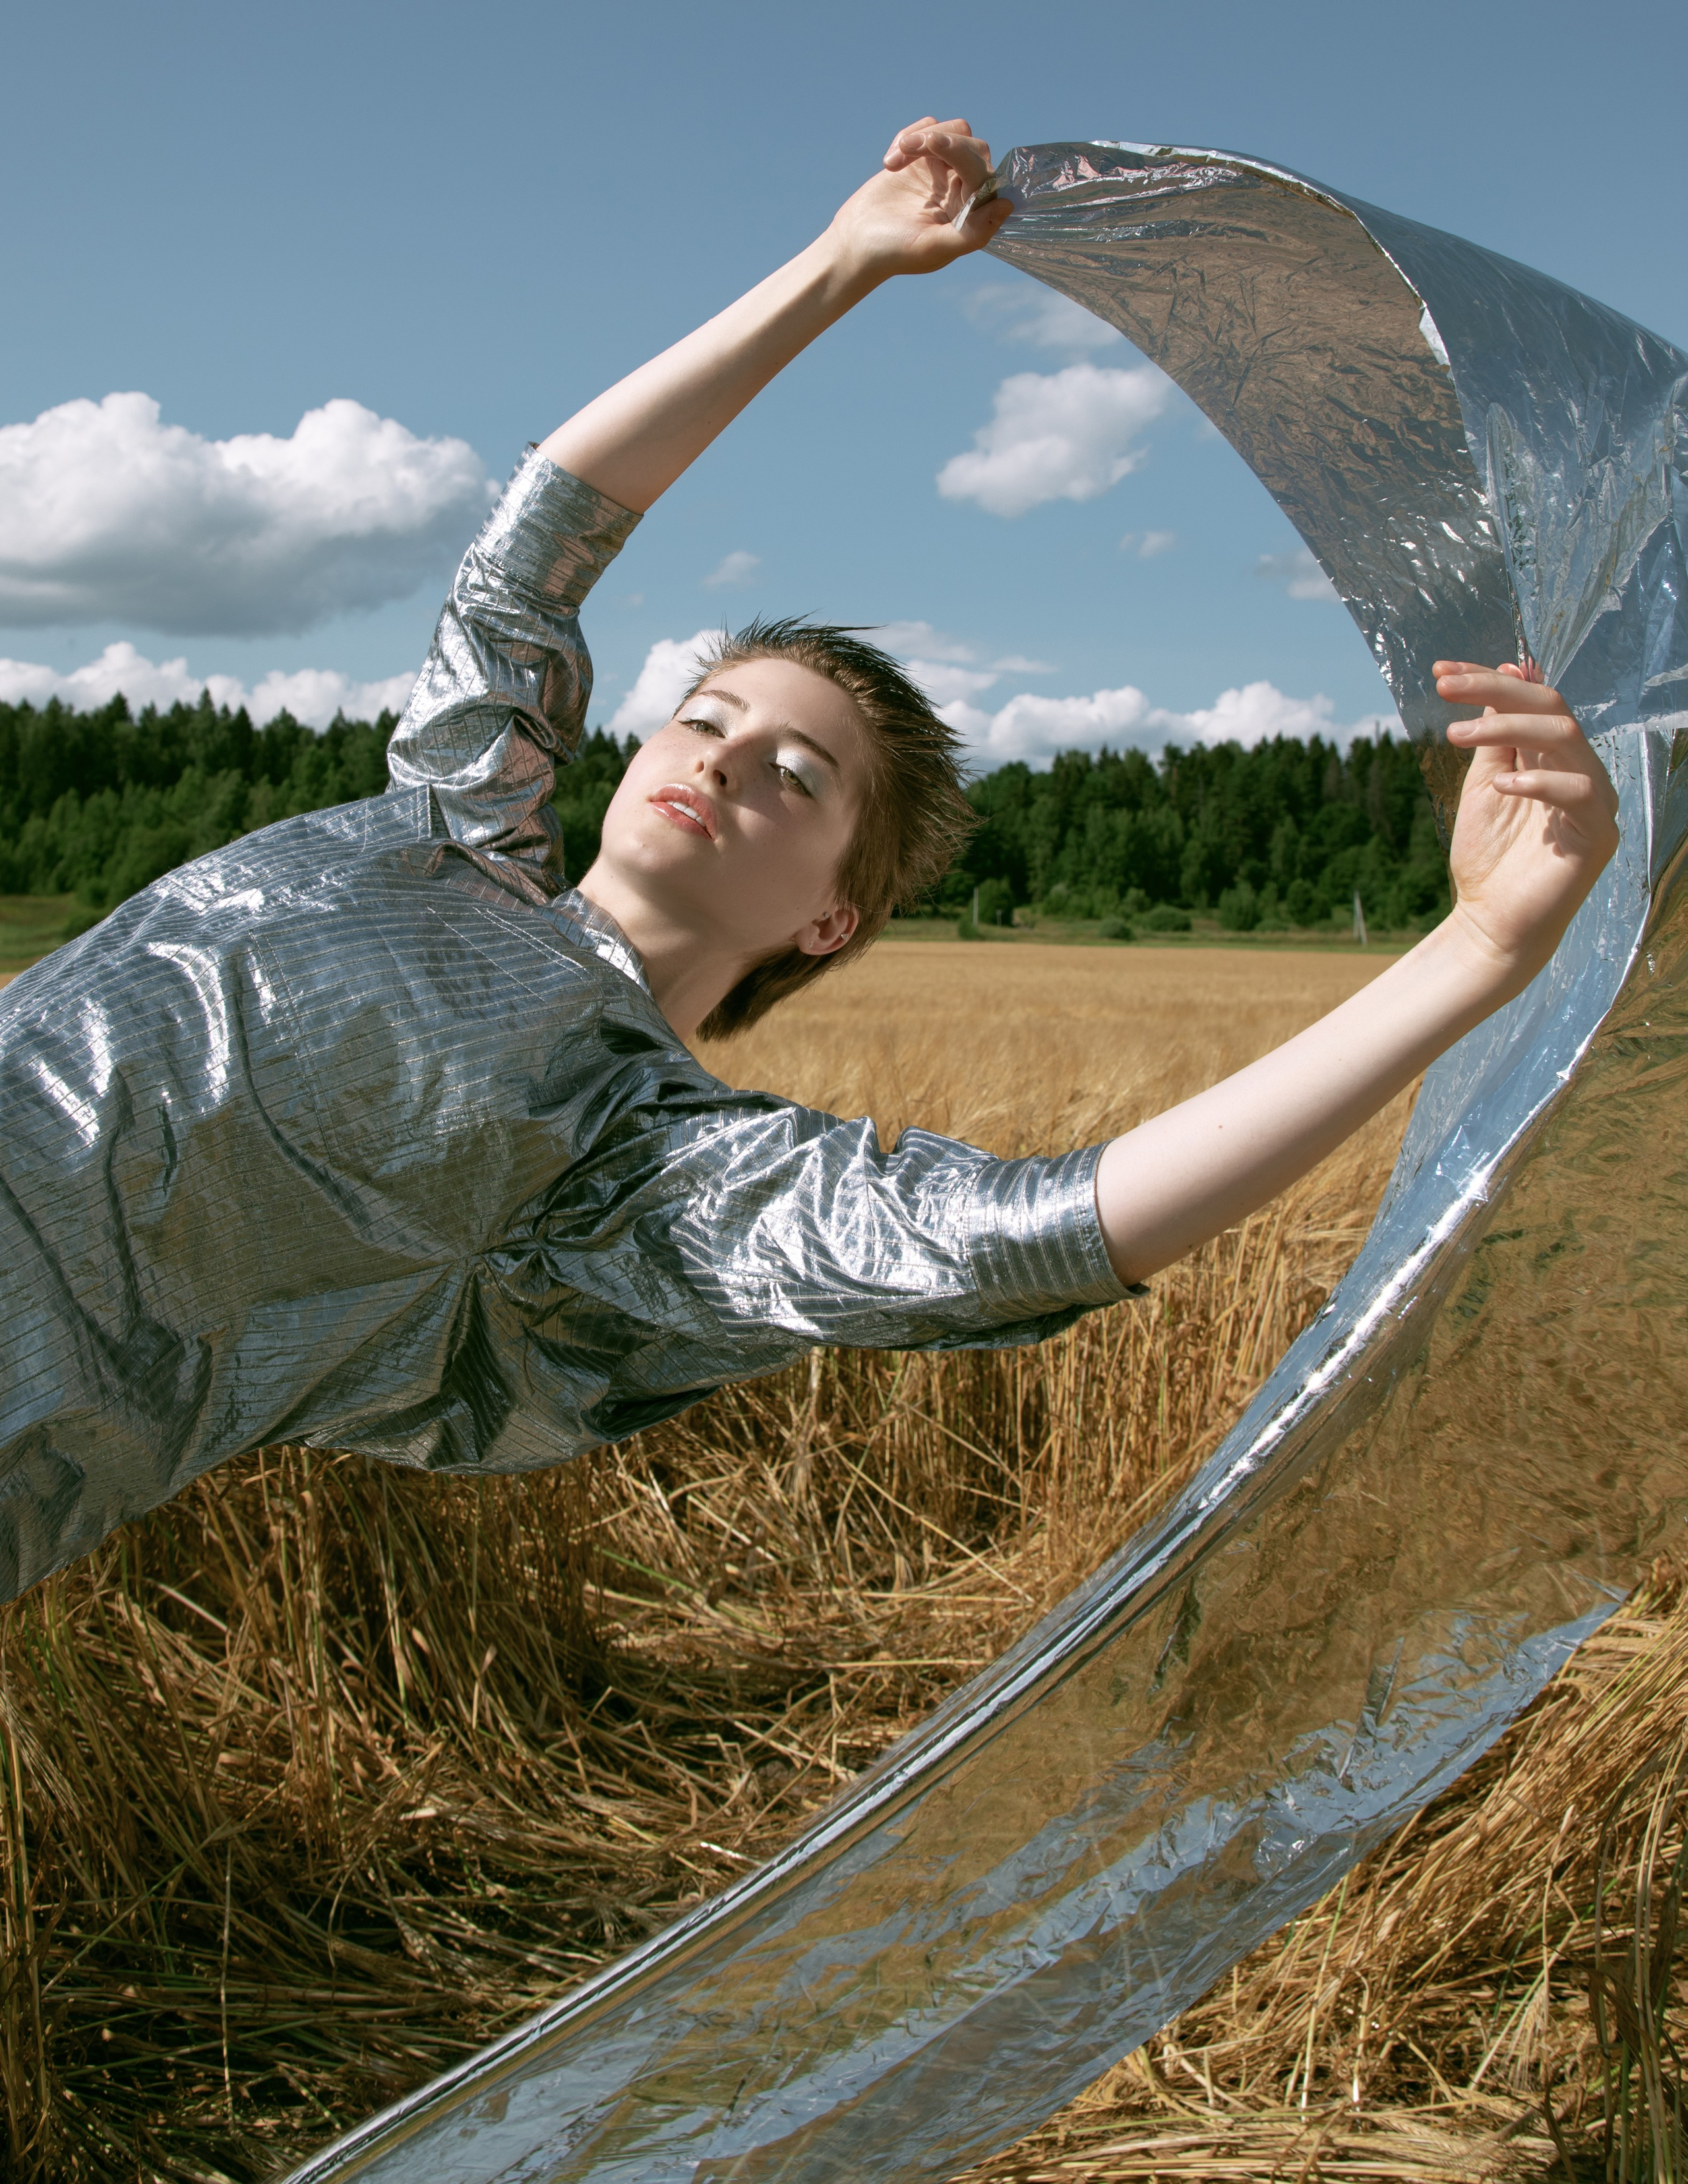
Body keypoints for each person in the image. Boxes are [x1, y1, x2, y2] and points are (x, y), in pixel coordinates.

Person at [0, 120, 1619, 1605]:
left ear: (833, 915)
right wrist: (838, 267)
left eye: (793, 770)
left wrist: (1473, 953)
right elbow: (546, 527)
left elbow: (1039, 1232)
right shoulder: (441, 828)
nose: (715, 753)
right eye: (701, 716)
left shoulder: (643, 1174)